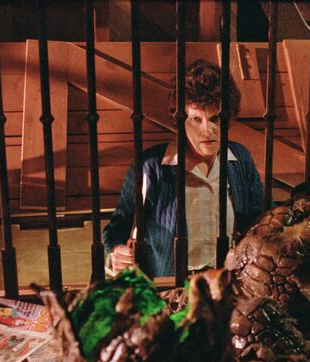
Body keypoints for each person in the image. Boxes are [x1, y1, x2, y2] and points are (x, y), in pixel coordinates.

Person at [103, 59, 264, 277]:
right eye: (196, 119)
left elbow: (259, 218)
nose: (207, 129)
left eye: (215, 118)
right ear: (180, 119)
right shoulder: (151, 166)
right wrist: (115, 253)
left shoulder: (239, 159)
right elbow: (118, 226)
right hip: (171, 285)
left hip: (225, 281)